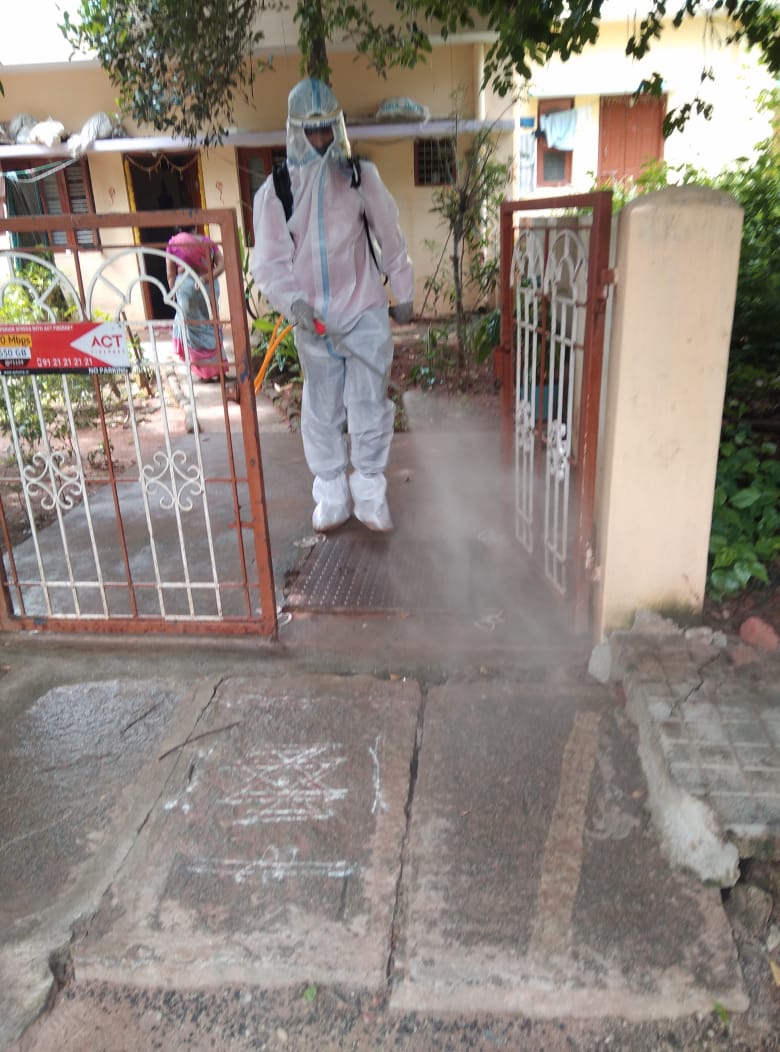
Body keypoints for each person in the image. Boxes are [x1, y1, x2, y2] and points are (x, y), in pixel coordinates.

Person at [251, 78, 414, 533]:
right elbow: (269, 263)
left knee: (369, 402)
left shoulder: (360, 176)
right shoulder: (277, 191)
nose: (321, 139)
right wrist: (295, 304)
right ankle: (331, 496)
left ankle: (370, 494)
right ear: (295, 131)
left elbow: (389, 235)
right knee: (322, 409)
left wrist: (403, 291)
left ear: (338, 127)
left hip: (363, 310)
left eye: (327, 128)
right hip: (315, 320)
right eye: (312, 130)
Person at [166, 230, 228, 382]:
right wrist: (207, 277)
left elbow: (171, 273)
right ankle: (219, 369)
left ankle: (204, 373)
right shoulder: (207, 241)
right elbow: (221, 265)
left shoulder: (174, 243)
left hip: (186, 287)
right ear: (194, 225)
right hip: (208, 286)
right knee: (212, 324)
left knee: (194, 329)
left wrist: (173, 290)